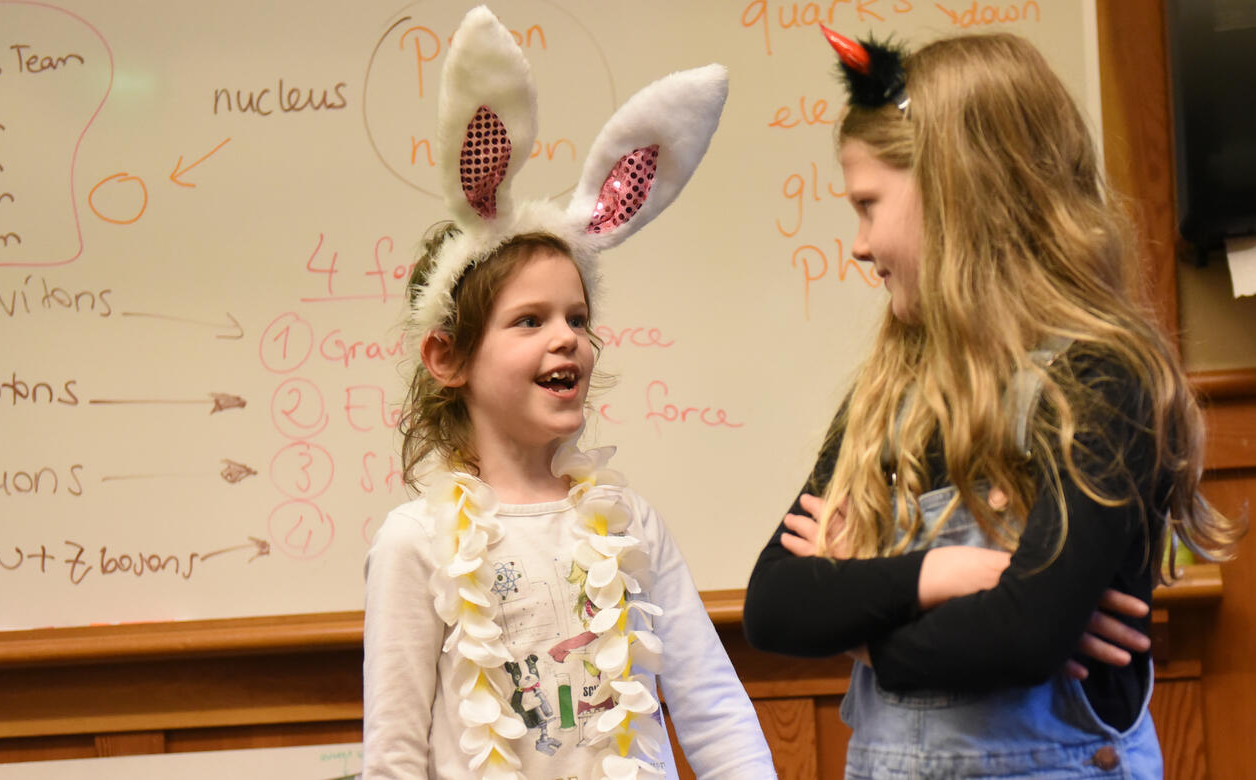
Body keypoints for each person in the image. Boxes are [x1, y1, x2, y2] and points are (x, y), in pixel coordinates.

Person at [742, 28, 1246, 778]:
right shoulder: (887, 399)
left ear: (958, 194)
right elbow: (774, 606)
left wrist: (862, 628)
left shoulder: (1101, 384)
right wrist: (935, 580)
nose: (856, 242)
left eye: (869, 205)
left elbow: (1022, 636)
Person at [363, 8, 776, 780]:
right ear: (447, 357)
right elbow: (392, 756)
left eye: (578, 319)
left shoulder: (632, 528)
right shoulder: (413, 544)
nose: (568, 339)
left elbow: (714, 710)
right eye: (529, 320)